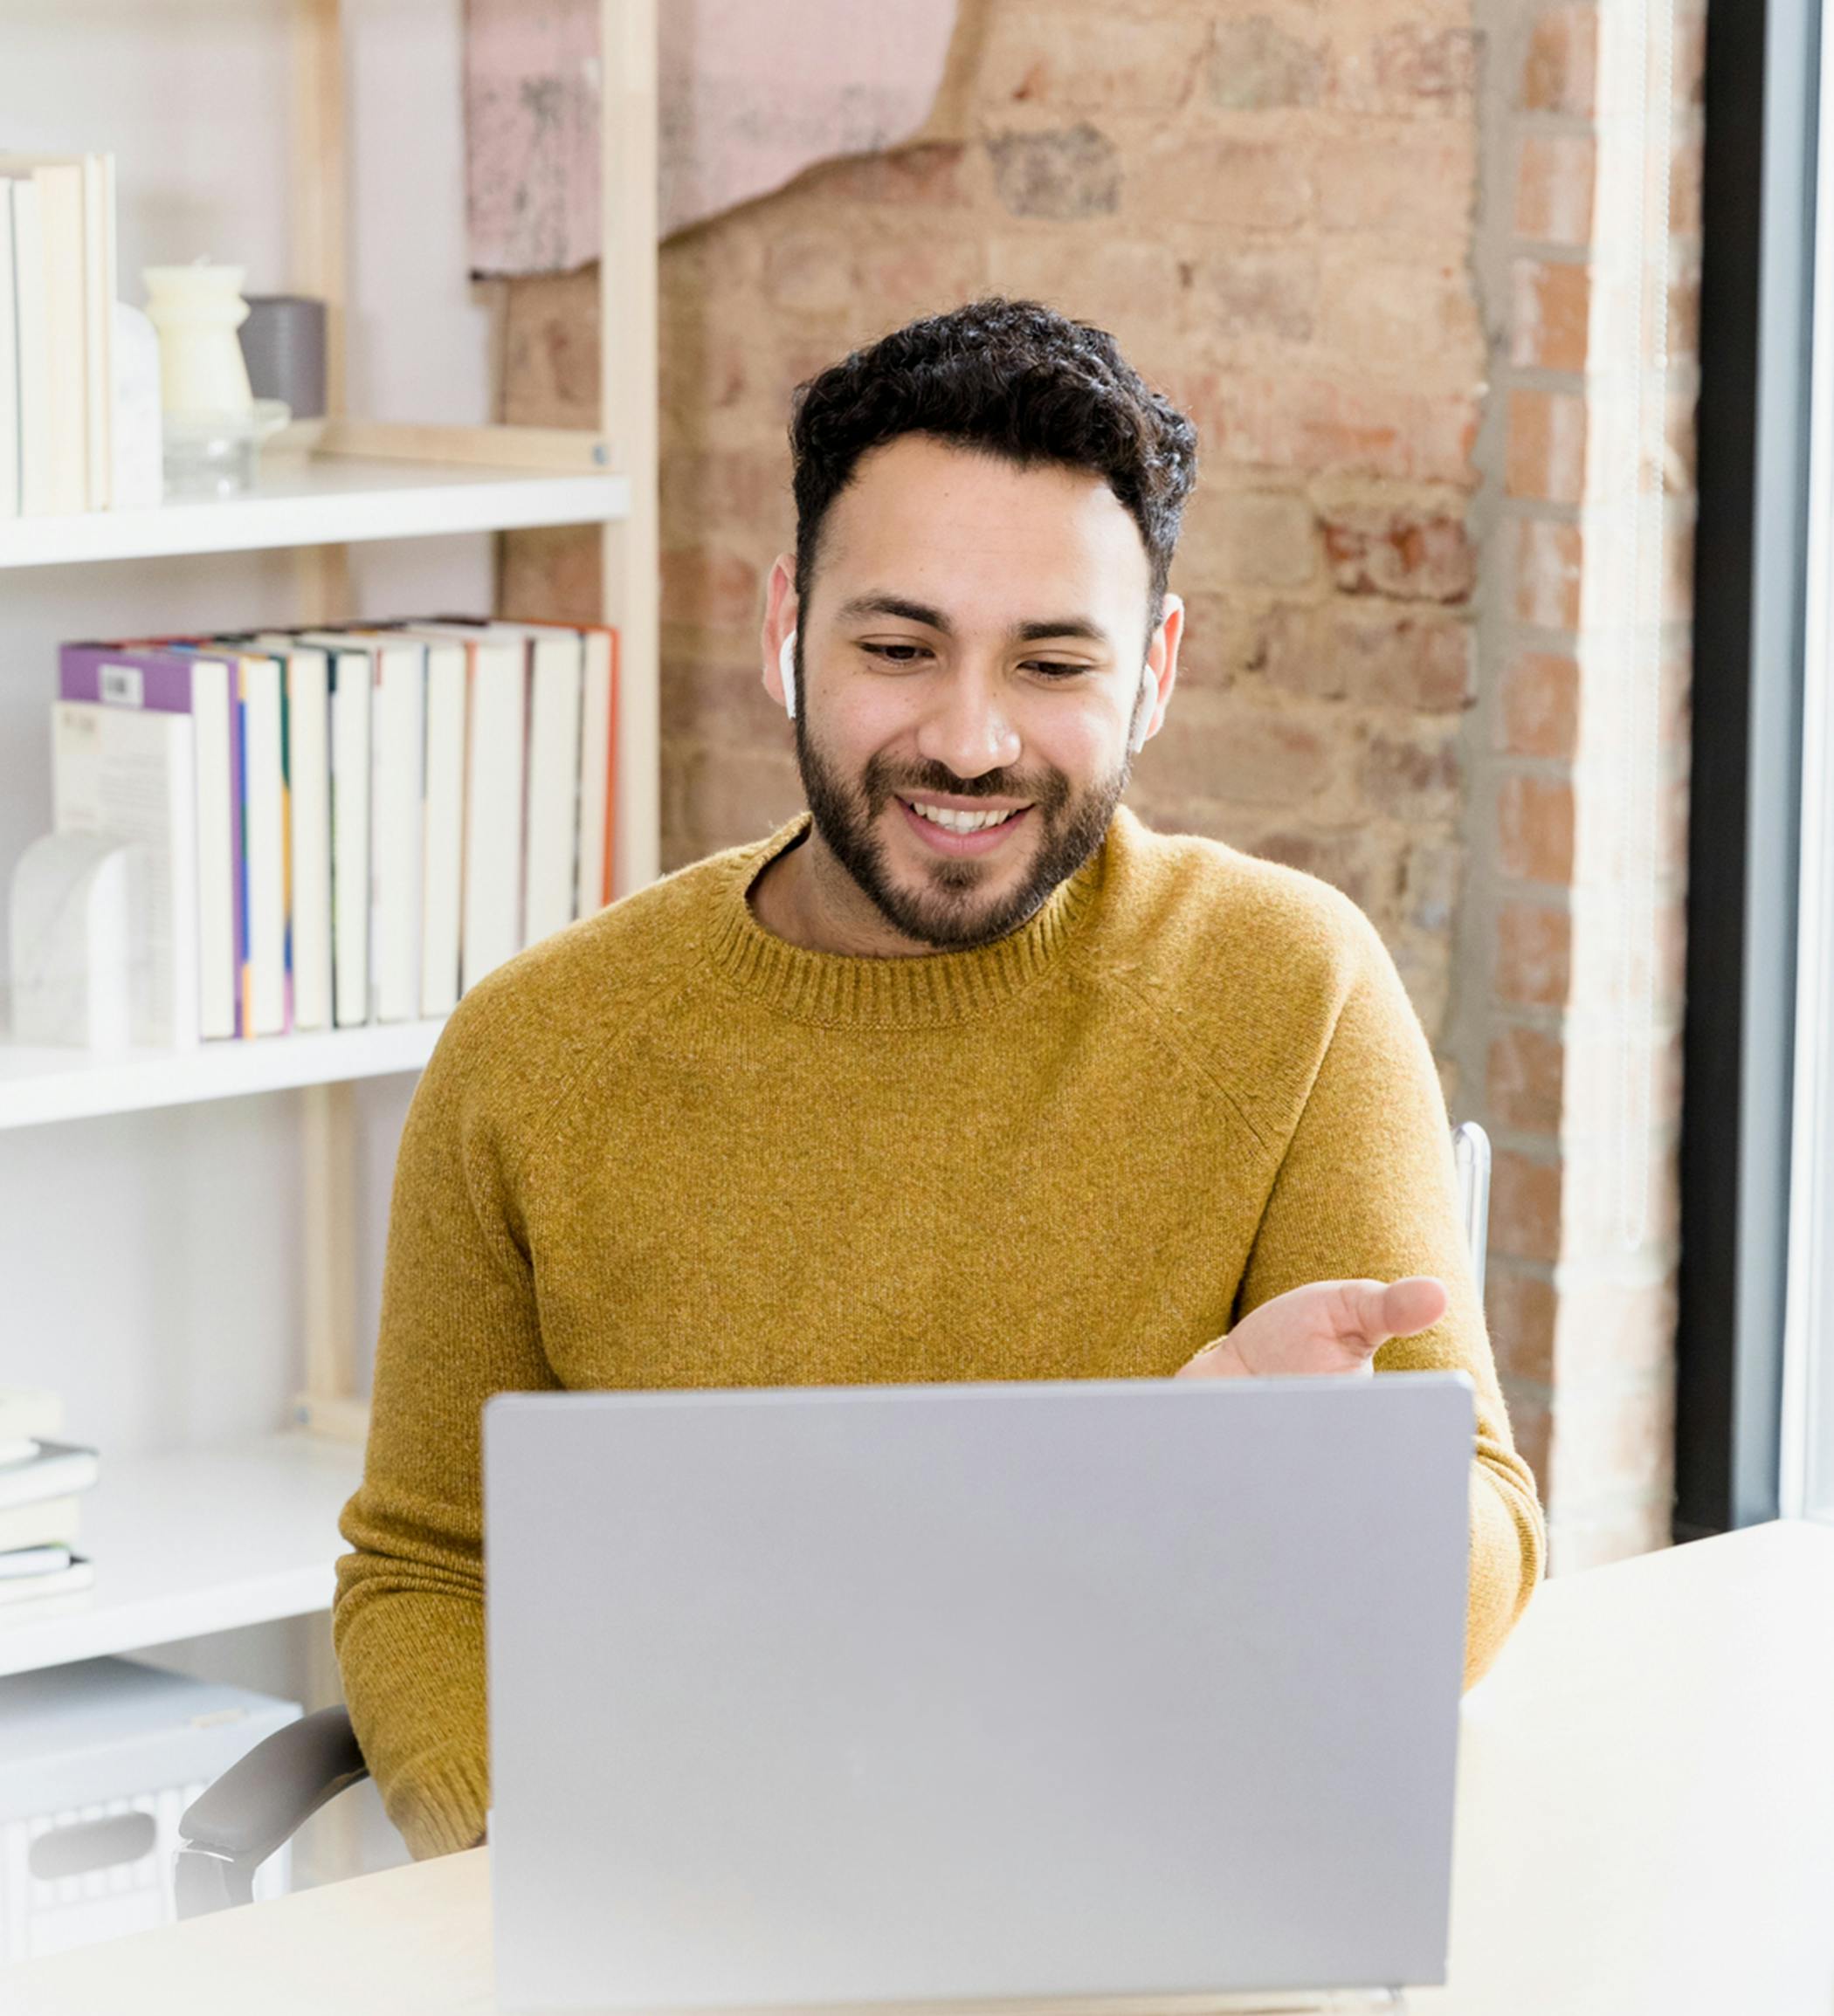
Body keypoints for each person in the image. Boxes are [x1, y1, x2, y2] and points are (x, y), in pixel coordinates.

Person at [334, 298, 1545, 1861]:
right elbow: (430, 1571)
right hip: (685, 1909)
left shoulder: (1287, 989)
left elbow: (1490, 1550)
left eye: (1052, 661)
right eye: (899, 648)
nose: (970, 741)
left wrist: (1264, 1502)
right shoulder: (535, 1056)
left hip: (1156, 1892)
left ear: (1157, 671)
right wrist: (558, 1871)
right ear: (787, 629)